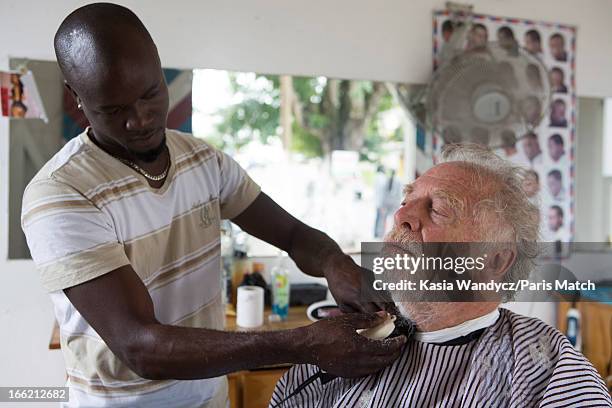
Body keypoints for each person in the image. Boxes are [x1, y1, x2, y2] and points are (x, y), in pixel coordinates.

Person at [21, 4, 405, 407]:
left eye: (150, 93)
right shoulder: (61, 193)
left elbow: (292, 234)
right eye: (113, 110)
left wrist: (333, 262)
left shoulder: (204, 161)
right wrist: (301, 344)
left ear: (159, 68)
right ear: (75, 96)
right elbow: (139, 345)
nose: (141, 119)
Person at [270, 144, 611, 407]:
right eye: (407, 199)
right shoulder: (341, 344)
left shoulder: (547, 372)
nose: (401, 215)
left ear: (495, 260)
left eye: (438, 209)